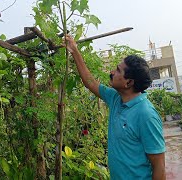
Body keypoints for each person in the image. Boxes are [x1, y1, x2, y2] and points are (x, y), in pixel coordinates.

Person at [65, 35, 166, 180]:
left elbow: (159, 166)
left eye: (118, 70)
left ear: (129, 82)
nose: (112, 72)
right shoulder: (115, 99)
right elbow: (90, 83)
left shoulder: (146, 114)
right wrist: (74, 51)